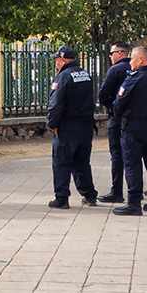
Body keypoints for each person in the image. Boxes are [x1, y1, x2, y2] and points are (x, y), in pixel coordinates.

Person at [112, 46, 147, 215]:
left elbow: (118, 103)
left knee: (132, 165)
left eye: (133, 60)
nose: (130, 64)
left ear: (141, 60)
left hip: (133, 127)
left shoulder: (134, 79)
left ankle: (134, 203)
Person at [46, 46, 98, 209]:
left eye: (56, 60)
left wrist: (52, 124)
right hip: (85, 126)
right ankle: (89, 194)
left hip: (67, 127)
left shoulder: (63, 77)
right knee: (82, 162)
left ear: (62, 60)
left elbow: (56, 105)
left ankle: (61, 198)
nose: (55, 63)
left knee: (61, 162)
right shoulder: (85, 75)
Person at [97, 41, 131, 203]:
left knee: (117, 154)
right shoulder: (138, 68)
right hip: (138, 119)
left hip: (117, 117)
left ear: (120, 53)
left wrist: (112, 105)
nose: (110, 57)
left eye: (111, 54)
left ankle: (117, 191)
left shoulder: (115, 70)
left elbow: (103, 95)